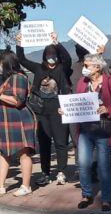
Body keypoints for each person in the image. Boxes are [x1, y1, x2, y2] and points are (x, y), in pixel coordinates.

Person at [17, 32, 73, 185]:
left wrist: (57, 43)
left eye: (53, 54)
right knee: (44, 142)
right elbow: (22, 59)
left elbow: (67, 59)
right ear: (44, 56)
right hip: (41, 110)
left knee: (61, 142)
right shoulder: (38, 68)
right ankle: (45, 173)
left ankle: (61, 172)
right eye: (48, 54)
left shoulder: (62, 68)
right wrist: (19, 43)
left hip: (59, 109)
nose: (51, 57)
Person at [74, 53, 111, 211]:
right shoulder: (82, 82)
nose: (84, 68)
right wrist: (67, 111)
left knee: (104, 165)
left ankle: (106, 198)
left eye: (86, 65)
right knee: (83, 163)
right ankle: (86, 194)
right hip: (85, 129)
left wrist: (108, 109)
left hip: (103, 128)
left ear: (97, 67)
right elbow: (76, 102)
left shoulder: (109, 82)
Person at [0, 49, 36, 196]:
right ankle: (0, 185)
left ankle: (26, 186)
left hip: (19, 121)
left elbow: (18, 101)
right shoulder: (8, 78)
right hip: (6, 122)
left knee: (24, 152)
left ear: (6, 63)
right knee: (2, 152)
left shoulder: (18, 77)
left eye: (0, 61)